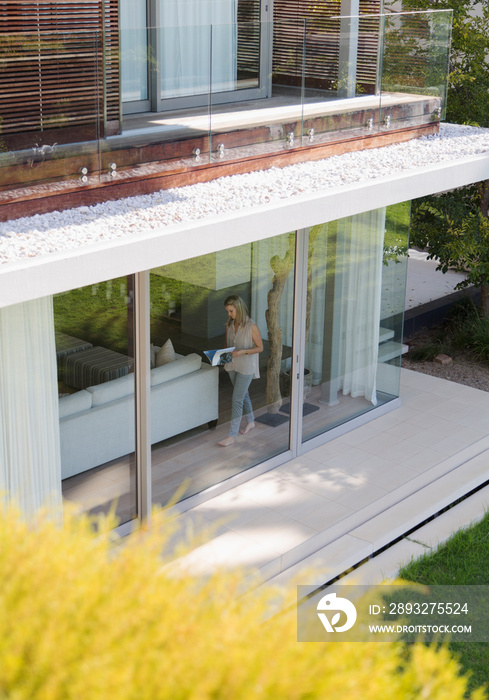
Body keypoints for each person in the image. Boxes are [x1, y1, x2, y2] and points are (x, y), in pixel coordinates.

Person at [218, 294, 263, 447]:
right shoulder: (229, 324)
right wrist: (219, 355)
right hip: (231, 365)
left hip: (246, 367)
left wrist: (242, 352)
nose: (229, 314)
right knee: (243, 395)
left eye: (231, 311)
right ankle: (251, 421)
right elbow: (227, 344)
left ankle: (231, 435)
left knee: (237, 398)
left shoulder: (252, 326)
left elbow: (260, 348)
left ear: (239, 309)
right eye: (227, 311)